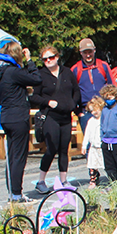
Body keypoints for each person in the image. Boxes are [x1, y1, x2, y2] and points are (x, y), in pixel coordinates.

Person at [0, 41, 42, 203]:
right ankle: (17, 194)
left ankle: (13, 192)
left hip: (6, 116)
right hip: (18, 117)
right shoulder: (12, 72)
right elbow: (36, 79)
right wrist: (29, 61)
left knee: (12, 157)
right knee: (19, 157)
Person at [30, 46, 80, 194]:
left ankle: (64, 180)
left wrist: (73, 103)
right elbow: (33, 96)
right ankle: (41, 180)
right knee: (51, 149)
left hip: (66, 116)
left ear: (57, 57)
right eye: (45, 59)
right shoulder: (41, 75)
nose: (48, 61)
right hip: (51, 116)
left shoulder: (67, 72)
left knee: (64, 150)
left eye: (51, 57)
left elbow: (76, 90)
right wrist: (48, 102)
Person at [71, 38, 115, 132]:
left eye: (90, 52)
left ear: (94, 50)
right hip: (86, 112)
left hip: (104, 109)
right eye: (85, 52)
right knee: (89, 143)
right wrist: (78, 112)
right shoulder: (75, 70)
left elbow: (113, 88)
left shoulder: (103, 66)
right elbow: (70, 93)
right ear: (80, 53)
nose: (88, 55)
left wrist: (111, 106)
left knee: (106, 139)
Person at [80, 97, 105, 188]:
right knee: (92, 165)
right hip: (93, 146)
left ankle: (111, 178)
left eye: (96, 110)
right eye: (91, 111)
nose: (94, 112)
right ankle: (93, 180)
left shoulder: (103, 120)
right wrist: (84, 145)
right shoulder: (91, 121)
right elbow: (87, 133)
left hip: (102, 146)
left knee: (105, 164)